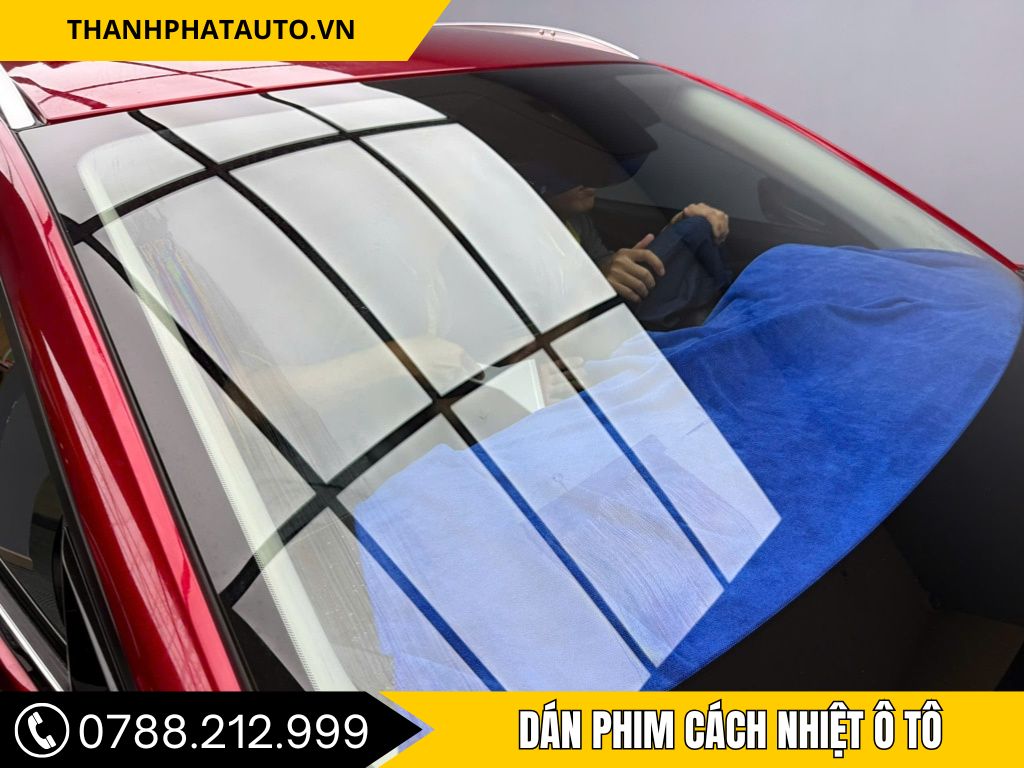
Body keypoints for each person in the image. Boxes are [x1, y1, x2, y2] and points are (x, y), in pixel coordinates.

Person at [544, 182, 731, 309]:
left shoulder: (577, 222)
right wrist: (597, 283)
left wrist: (676, 232)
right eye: (566, 172)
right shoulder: (530, 240)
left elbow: (602, 262)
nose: (588, 180)